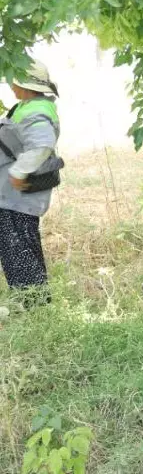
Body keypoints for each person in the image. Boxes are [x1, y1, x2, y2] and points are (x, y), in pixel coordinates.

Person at [0, 60, 62, 306]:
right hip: (11, 195)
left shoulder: (36, 111)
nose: (11, 85)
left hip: (17, 195)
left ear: (25, 85)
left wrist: (18, 172)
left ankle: (32, 306)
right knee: (19, 248)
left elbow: (42, 144)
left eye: (15, 80)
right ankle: (32, 303)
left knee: (19, 250)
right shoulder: (29, 106)